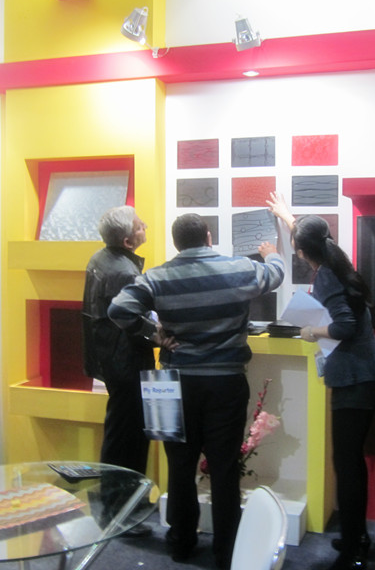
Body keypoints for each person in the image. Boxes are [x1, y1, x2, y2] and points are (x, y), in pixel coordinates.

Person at [108, 213, 285, 569]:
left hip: (176, 384)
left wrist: (153, 334)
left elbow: (119, 309)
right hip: (225, 382)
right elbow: (275, 276)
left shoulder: (157, 277)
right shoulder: (238, 268)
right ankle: (227, 550)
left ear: (177, 243)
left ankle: (181, 543)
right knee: (224, 467)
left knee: (180, 464)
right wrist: (273, 254)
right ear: (208, 236)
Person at [268, 192, 375, 570]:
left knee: (347, 463)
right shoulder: (336, 261)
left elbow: (344, 326)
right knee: (350, 461)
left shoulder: (325, 275)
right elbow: (310, 236)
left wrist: (312, 332)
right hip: (367, 374)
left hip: (357, 379)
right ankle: (358, 536)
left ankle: (355, 546)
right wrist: (288, 218)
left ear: (301, 252)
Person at [81, 206, 157, 536]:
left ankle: (121, 505)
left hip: (111, 360)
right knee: (127, 439)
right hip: (126, 363)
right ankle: (119, 512)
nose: (145, 226)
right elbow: (131, 320)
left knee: (121, 434)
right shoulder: (125, 273)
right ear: (127, 241)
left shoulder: (100, 258)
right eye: (140, 226)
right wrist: (159, 335)